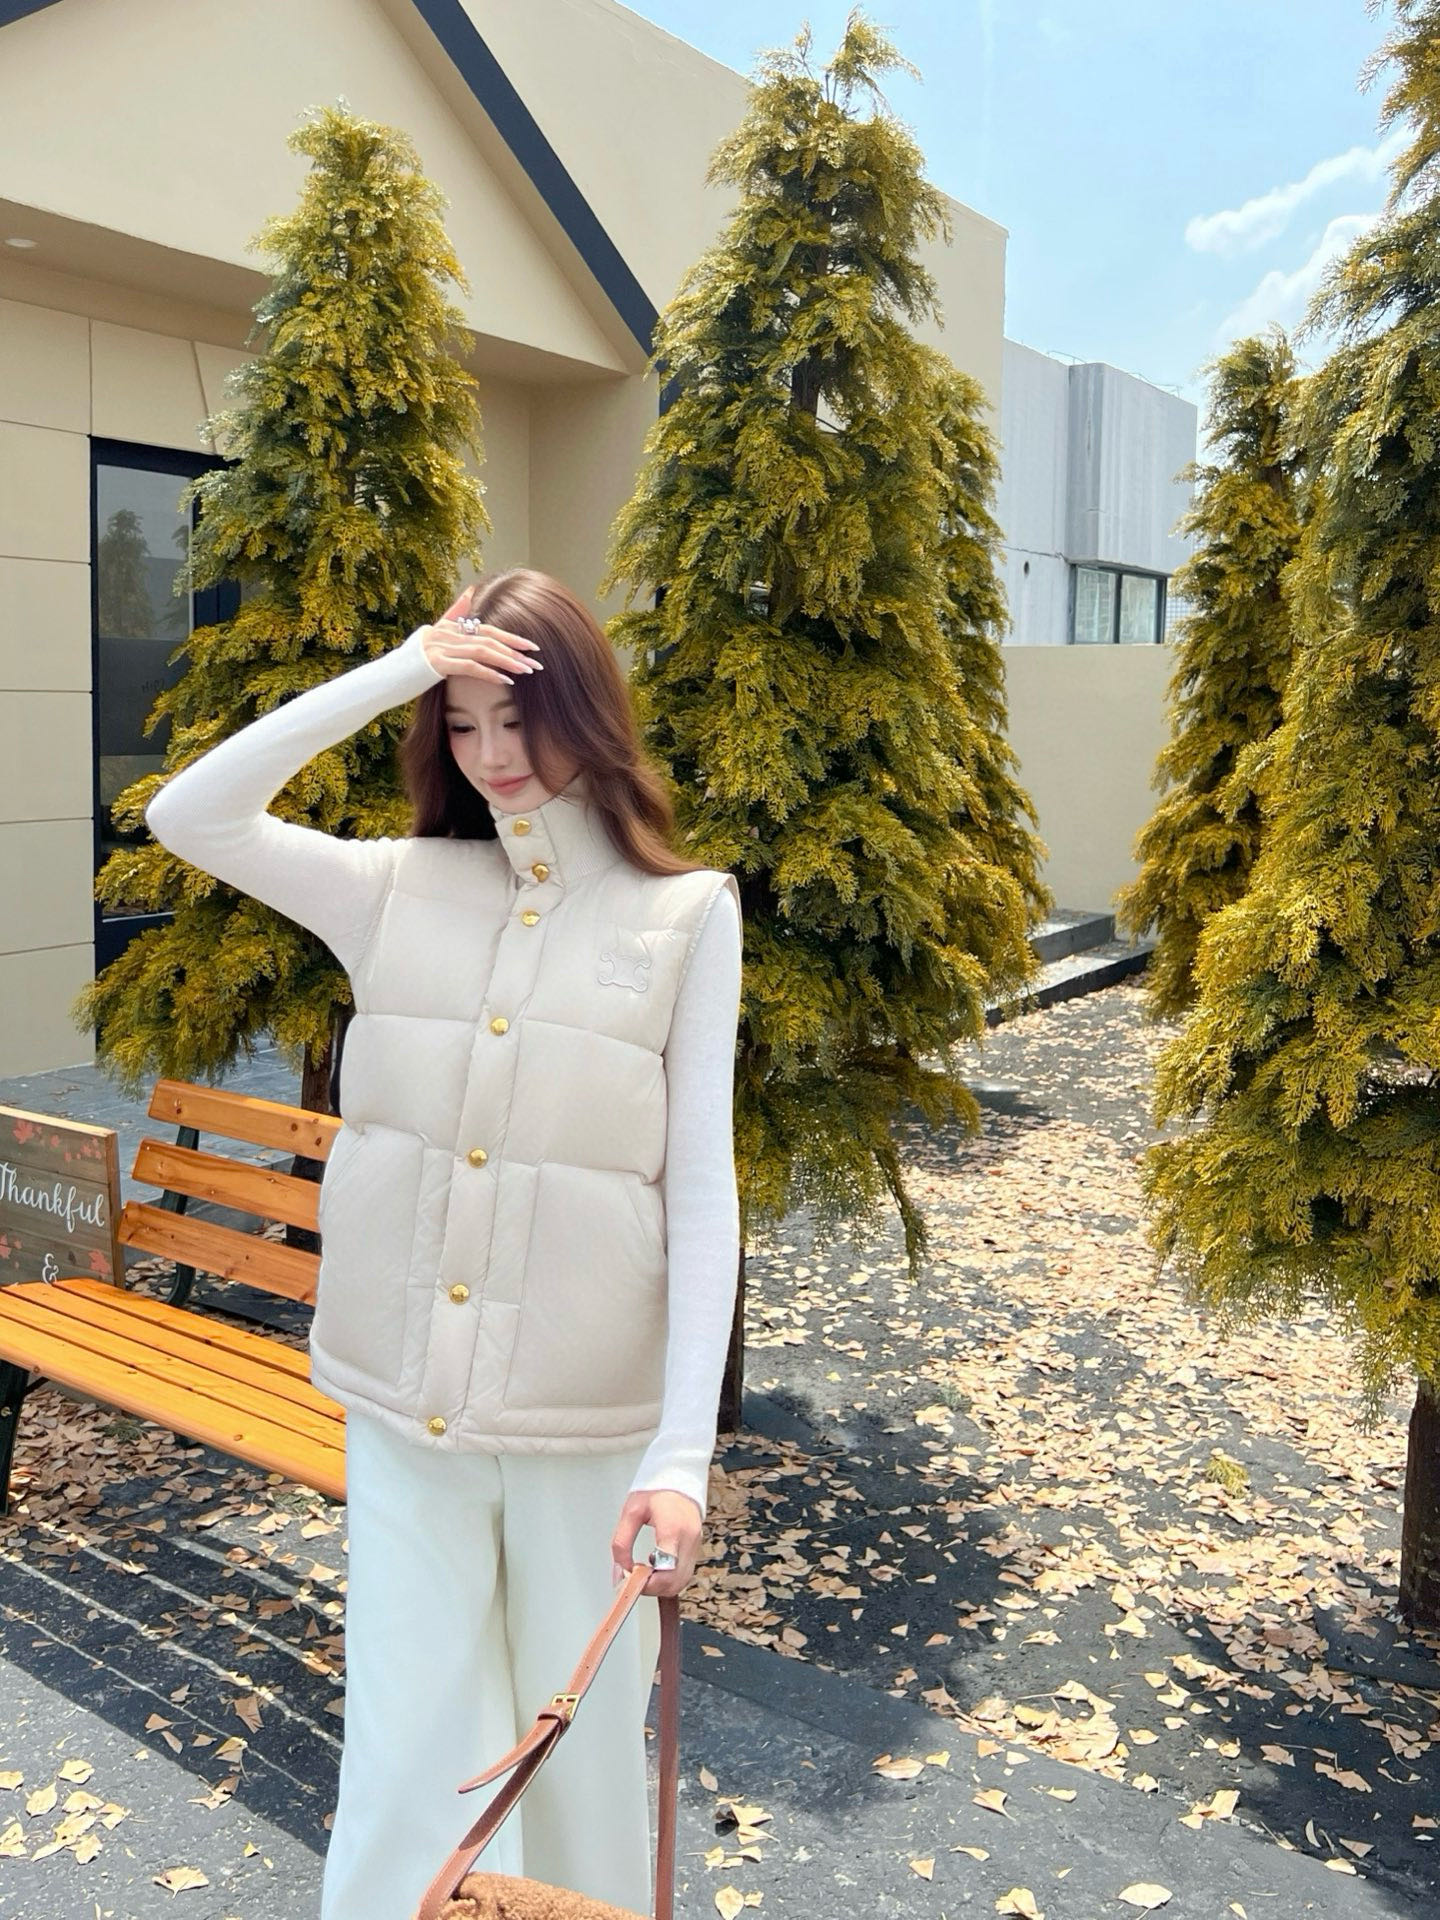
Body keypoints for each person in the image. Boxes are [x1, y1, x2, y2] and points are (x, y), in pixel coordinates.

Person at [143, 569, 744, 1918]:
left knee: (579, 1758)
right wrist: (404, 667)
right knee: (403, 1749)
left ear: (588, 714)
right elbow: (191, 813)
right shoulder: (393, 888)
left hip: (584, 1429)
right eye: (463, 724)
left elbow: (703, 1192)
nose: (491, 754)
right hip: (404, 1410)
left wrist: (680, 1457)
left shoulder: (686, 915)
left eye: (519, 719)